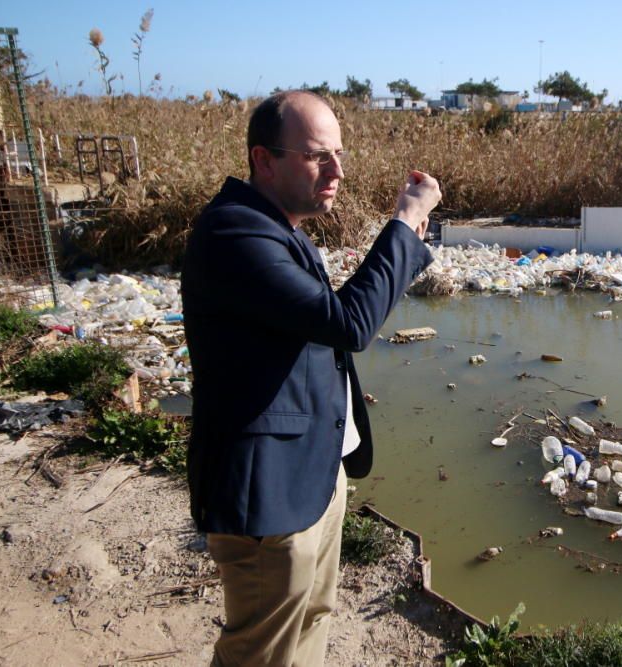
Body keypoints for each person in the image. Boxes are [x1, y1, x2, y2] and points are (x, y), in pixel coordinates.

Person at [180, 89, 440, 666]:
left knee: (312, 623)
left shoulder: (282, 228)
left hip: (313, 474)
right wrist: (406, 221)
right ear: (264, 160)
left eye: (339, 154)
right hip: (270, 496)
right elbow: (347, 324)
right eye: (318, 156)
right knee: (262, 651)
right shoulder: (235, 235)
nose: (337, 171)